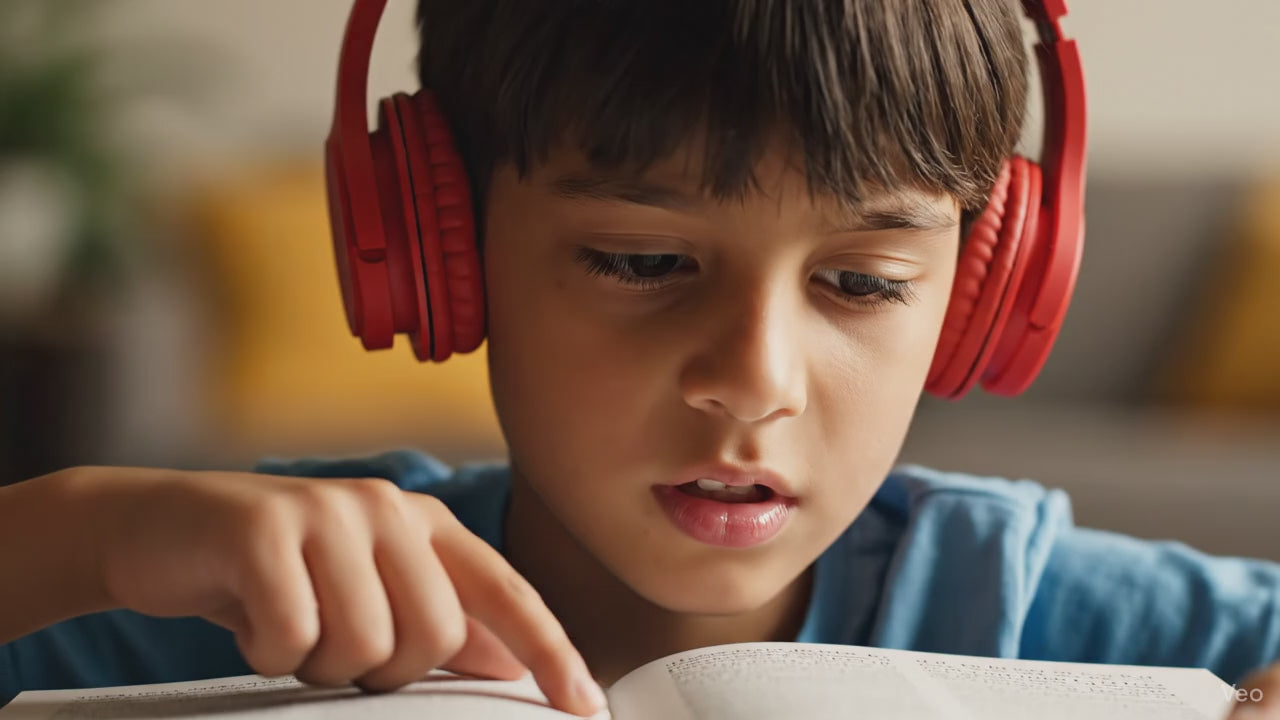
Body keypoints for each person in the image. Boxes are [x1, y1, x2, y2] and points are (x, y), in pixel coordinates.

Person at [1, 1, 1277, 718]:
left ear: (983, 290)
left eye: (863, 283)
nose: (750, 376)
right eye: (641, 263)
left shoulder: (1071, 619)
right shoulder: (226, 607)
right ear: (443, 249)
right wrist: (76, 536)